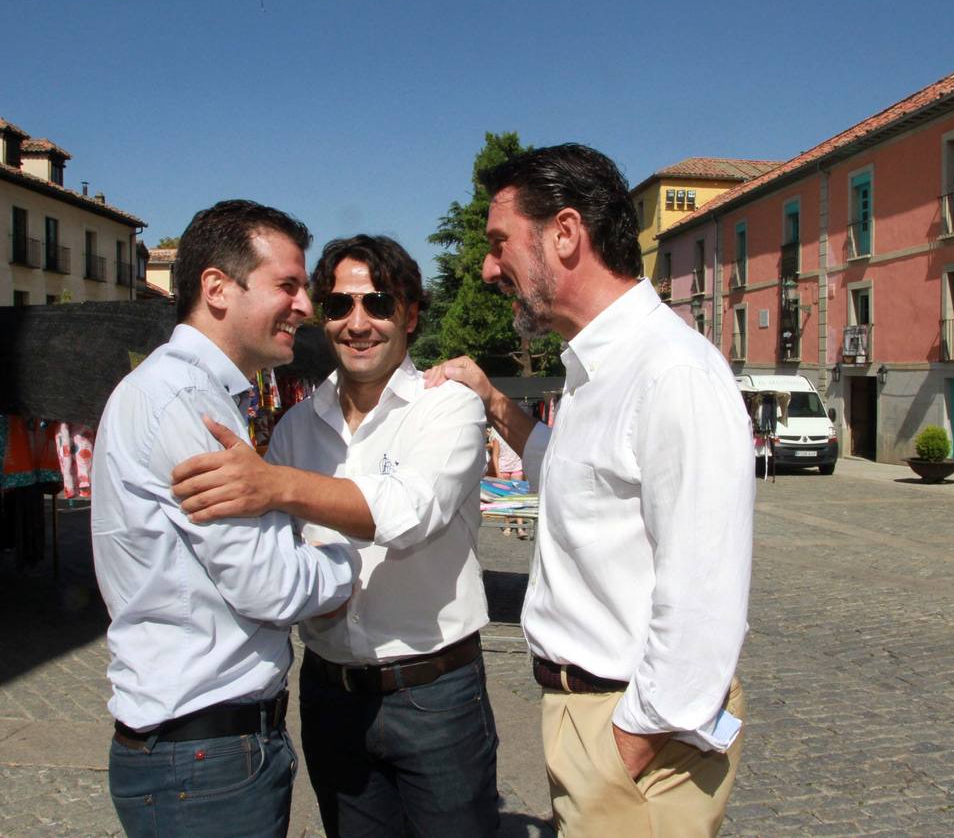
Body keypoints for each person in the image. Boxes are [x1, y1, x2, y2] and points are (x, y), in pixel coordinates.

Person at [426, 143, 755, 837]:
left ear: (566, 234)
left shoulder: (671, 372)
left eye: (499, 244)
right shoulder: (596, 368)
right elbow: (570, 475)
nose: (489, 269)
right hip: (593, 722)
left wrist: (622, 750)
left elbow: (704, 595)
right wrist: (490, 400)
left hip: (632, 734)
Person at [170, 235, 499, 837]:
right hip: (331, 693)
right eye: (340, 306)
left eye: (378, 303)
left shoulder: (447, 408)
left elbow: (409, 514)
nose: (358, 323)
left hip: (434, 693)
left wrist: (275, 484)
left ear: (411, 313)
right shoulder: (298, 425)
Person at [91, 200, 359, 837]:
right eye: (287, 287)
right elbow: (268, 584)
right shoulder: (187, 403)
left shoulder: (186, 393)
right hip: (203, 760)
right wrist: (349, 559)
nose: (305, 308)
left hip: (202, 753)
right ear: (216, 288)